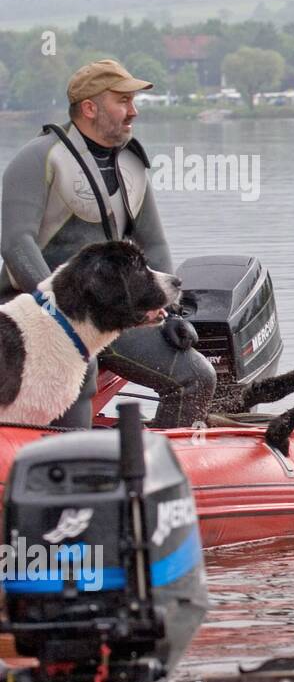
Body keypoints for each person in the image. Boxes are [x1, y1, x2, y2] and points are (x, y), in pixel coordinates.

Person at [0, 58, 215, 428]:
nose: (133, 111)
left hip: (114, 314)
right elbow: (15, 242)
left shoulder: (131, 165)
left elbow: (155, 244)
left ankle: (155, 472)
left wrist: (169, 311)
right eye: (123, 101)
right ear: (89, 108)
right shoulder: (38, 158)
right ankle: (69, 466)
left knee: (196, 377)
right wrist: (58, 319)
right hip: (35, 311)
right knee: (80, 369)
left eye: (133, 102)